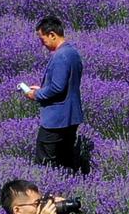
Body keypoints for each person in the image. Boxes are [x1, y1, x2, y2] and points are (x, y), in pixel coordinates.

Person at [17, 16, 86, 175]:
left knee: (45, 162)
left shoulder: (60, 56)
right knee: (66, 160)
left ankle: (49, 193)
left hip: (56, 120)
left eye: (43, 39)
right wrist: (43, 88)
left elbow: (57, 88)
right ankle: (67, 189)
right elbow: (65, 84)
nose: (42, 44)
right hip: (71, 117)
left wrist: (35, 94)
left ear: (53, 35)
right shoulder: (73, 53)